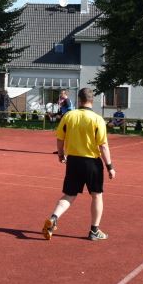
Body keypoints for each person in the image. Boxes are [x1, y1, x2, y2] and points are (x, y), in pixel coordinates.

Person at [41, 87, 116, 241]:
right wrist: (110, 166)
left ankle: (54, 218)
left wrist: (61, 154)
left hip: (73, 161)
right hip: (92, 162)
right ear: (92, 100)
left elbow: (60, 138)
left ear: (79, 100)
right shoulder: (97, 119)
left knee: (69, 194)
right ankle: (94, 230)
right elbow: (103, 145)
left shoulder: (69, 116)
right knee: (97, 196)